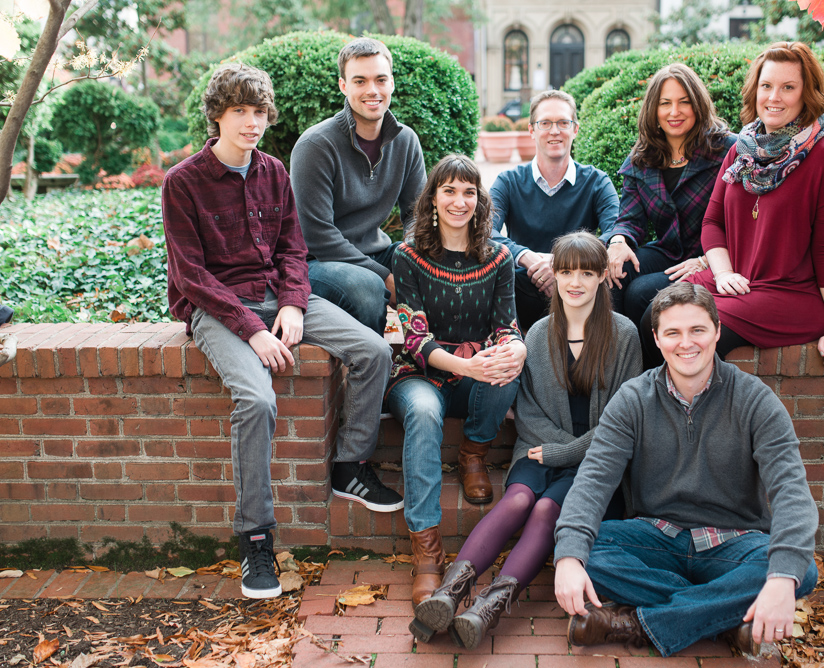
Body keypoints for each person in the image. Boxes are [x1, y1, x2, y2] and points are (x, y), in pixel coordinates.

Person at [162, 63, 400, 599]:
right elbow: (191, 276)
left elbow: (295, 250)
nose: (252, 123)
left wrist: (293, 306)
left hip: (279, 296)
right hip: (219, 309)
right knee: (257, 399)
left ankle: (348, 465)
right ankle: (256, 538)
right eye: (239, 112)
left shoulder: (273, 172)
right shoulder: (183, 183)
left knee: (371, 351)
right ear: (217, 117)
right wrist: (252, 330)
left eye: (259, 113)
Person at [553, 282, 819, 657]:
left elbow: (792, 492)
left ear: (717, 332)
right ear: (657, 339)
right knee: (583, 551)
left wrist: (779, 579)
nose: (686, 343)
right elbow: (593, 480)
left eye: (697, 330)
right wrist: (568, 558)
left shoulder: (756, 400)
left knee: (799, 571)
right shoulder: (632, 400)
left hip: (734, 543)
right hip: (656, 537)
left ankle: (637, 623)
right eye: (673, 332)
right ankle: (726, 617)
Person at [408, 232, 641, 648]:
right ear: (554, 273)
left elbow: (621, 424)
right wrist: (550, 451)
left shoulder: (624, 336)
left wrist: (563, 452)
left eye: (587, 273)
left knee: (547, 508)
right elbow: (529, 411)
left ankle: (488, 608)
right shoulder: (536, 335)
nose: (575, 282)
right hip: (536, 448)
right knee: (517, 499)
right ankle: (449, 593)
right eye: (566, 271)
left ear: (603, 276)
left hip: (595, 462)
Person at [385, 154, 526, 609]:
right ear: (433, 198)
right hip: (419, 374)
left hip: (475, 372)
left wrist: (516, 349)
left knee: (505, 368)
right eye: (449, 191)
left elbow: (507, 325)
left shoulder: (499, 256)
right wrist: (468, 366)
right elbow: (413, 336)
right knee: (425, 412)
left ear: (479, 200)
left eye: (469, 192)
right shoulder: (407, 256)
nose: (459, 201)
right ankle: (427, 553)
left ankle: (473, 453)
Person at [674, 42, 824, 370]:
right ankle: (650, 415)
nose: (774, 97)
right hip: (737, 284)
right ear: (755, 91)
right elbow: (713, 222)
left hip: (790, 296)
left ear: (807, 94)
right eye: (767, 86)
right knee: (657, 313)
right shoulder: (742, 150)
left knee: (698, 336)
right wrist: (723, 272)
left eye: (788, 87)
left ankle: (706, 420)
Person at [598, 64, 735, 369]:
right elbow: (630, 218)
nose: (675, 111)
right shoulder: (642, 157)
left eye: (684, 101)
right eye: (665, 103)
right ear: (653, 110)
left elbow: (743, 221)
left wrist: (707, 260)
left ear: (698, 104)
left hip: (714, 257)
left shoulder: (726, 150)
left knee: (641, 293)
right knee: (614, 274)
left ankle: (650, 380)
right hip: (669, 252)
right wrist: (618, 241)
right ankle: (616, 371)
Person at [291, 37, 426, 336]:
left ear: (392, 83)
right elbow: (318, 236)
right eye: (360, 81)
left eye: (380, 79)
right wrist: (386, 277)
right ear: (343, 86)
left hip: (376, 252)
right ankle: (376, 367)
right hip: (317, 263)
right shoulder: (315, 145)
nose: (372, 90)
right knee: (367, 287)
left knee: (446, 261)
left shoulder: (406, 141)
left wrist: (419, 258)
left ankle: (440, 358)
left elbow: (419, 216)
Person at [490, 90, 619, 332]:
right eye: (545, 123)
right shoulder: (508, 181)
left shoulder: (596, 181)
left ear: (575, 129)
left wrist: (563, 265)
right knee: (497, 274)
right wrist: (526, 257)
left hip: (581, 287)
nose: (555, 131)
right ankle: (511, 353)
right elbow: (486, 230)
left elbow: (615, 231)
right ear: (531, 130)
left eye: (563, 123)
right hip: (526, 284)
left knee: (616, 275)